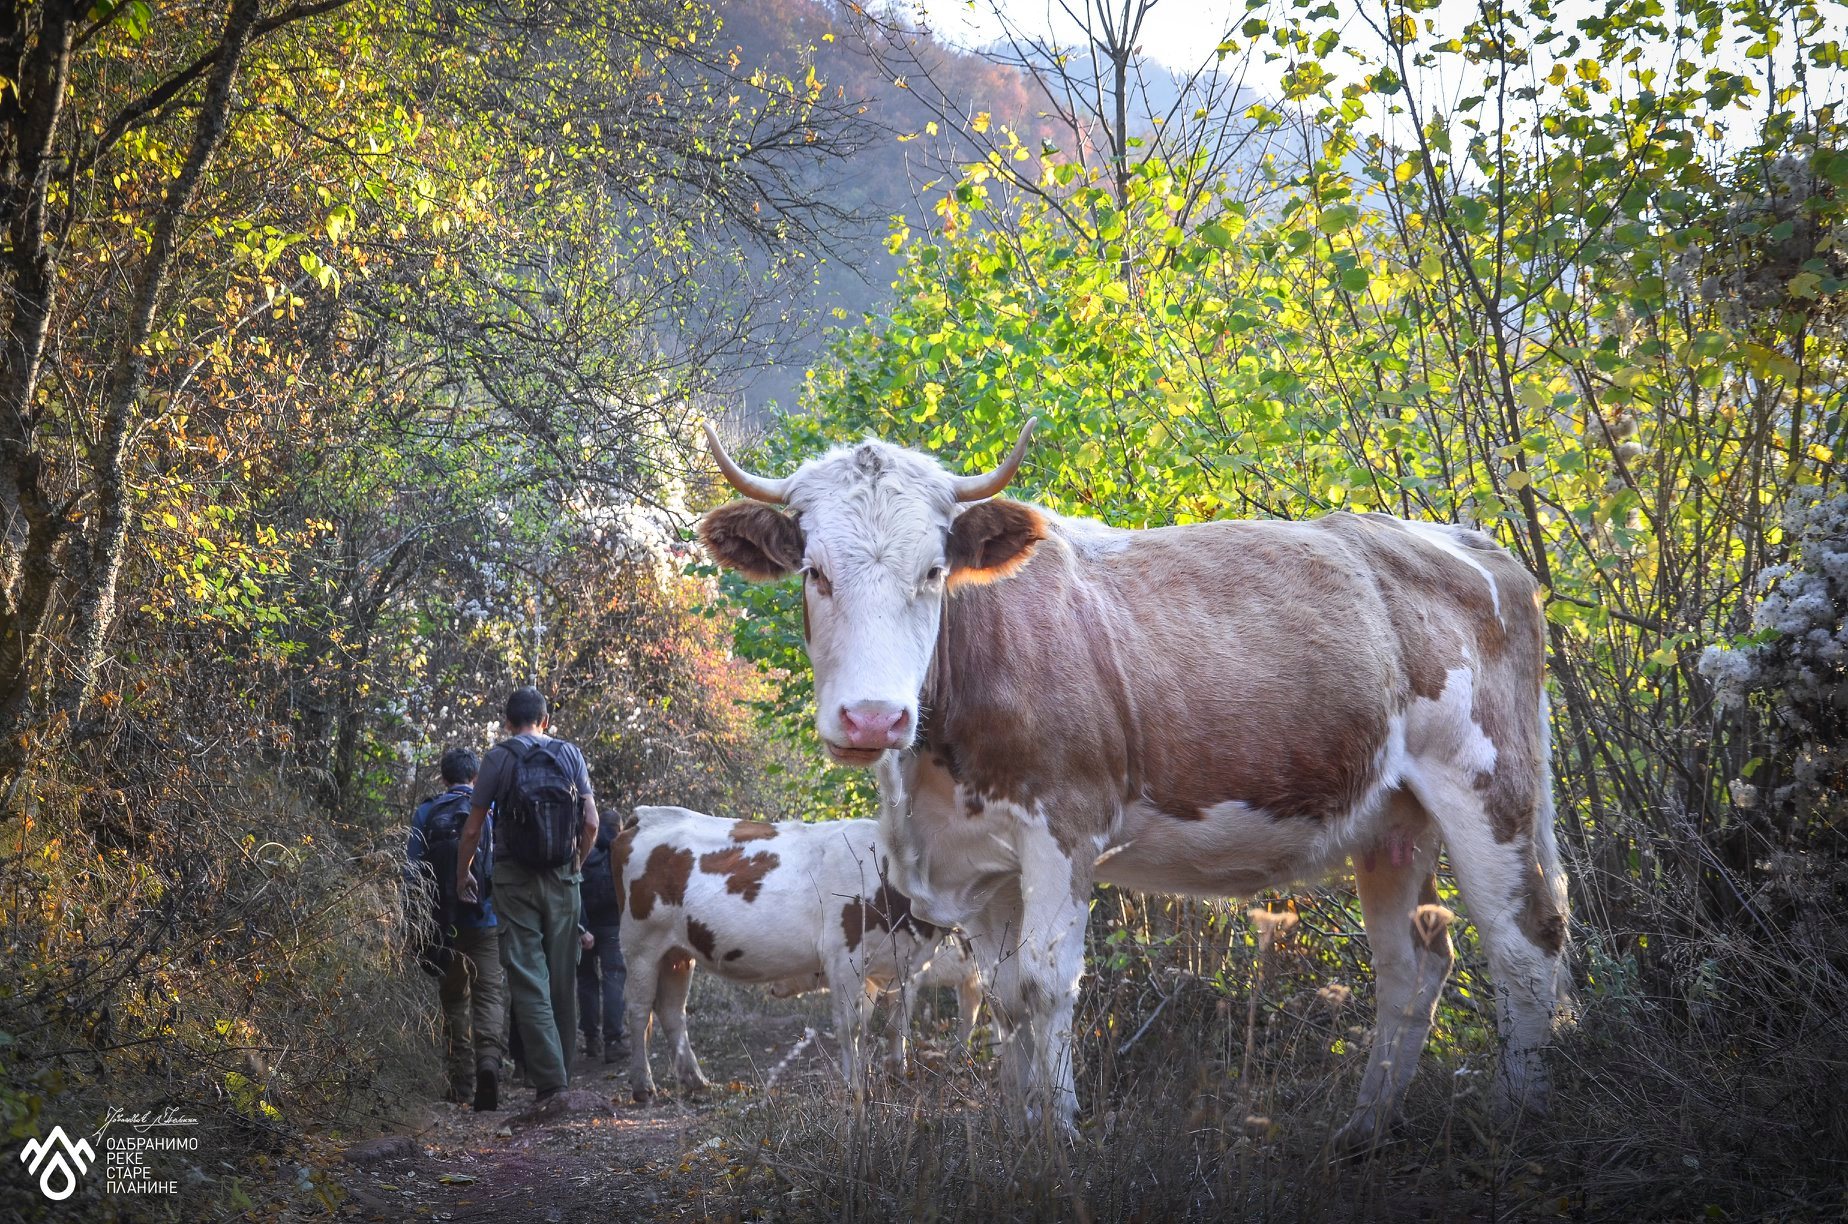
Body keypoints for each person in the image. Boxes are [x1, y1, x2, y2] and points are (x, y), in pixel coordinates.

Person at [456, 686, 598, 1105]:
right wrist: (577, 864)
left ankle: (550, 1081)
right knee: (562, 979)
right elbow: (590, 822)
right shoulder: (570, 754)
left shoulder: (499, 757)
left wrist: (463, 873)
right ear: (546, 720)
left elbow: (472, 828)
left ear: (507, 722)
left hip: (514, 879)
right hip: (563, 878)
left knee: (528, 977)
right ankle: (563, 1080)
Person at [406, 747, 506, 1111]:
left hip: (442, 922)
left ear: (443, 778)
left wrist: (416, 923)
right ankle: (489, 1066)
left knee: (453, 1000)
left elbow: (412, 872)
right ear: (475, 778)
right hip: (485, 918)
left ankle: (461, 1085)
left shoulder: (427, 811)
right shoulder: (489, 811)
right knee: (490, 996)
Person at [577, 814, 629, 1063]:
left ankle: (591, 1040)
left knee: (586, 981)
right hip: (612, 924)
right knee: (614, 978)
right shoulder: (621, 851)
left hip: (583, 924)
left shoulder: (582, 849)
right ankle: (613, 1041)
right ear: (618, 828)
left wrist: (580, 925)